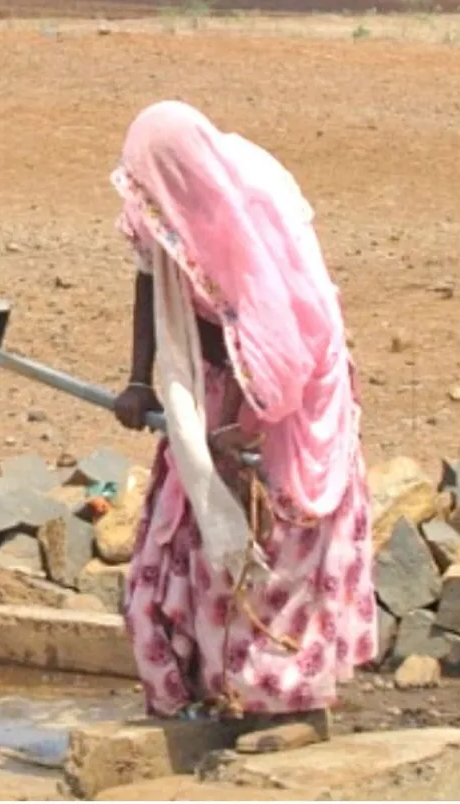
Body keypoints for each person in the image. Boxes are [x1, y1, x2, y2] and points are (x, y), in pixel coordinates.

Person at [110, 100, 375, 719]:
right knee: (181, 546)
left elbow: (288, 345)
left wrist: (245, 427)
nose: (143, 195)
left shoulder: (250, 206)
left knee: (268, 558)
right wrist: (138, 381)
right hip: (206, 395)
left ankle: (279, 704)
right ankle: (203, 690)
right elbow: (150, 278)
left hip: (284, 404)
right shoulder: (159, 206)